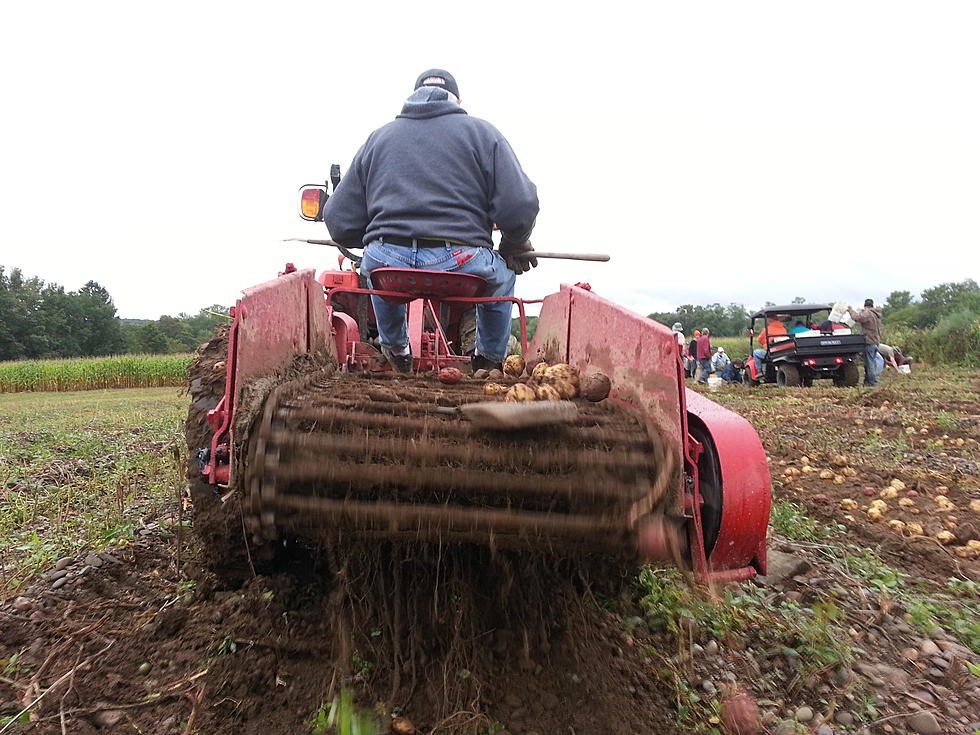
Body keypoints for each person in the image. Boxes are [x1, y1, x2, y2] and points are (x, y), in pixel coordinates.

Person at [323, 69, 539, 373]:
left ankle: (396, 351)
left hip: (389, 260)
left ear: (412, 96)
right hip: (461, 261)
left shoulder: (379, 139)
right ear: (458, 100)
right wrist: (514, 241)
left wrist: (381, 236)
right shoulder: (483, 134)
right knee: (502, 278)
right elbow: (520, 204)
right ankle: (489, 360)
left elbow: (338, 220)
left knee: (375, 268)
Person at [848, 299, 883, 386]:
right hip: (875, 342)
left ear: (865, 306)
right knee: (869, 363)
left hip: (869, 342)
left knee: (869, 364)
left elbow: (857, 318)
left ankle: (872, 382)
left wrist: (850, 310)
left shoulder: (868, 313)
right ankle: (868, 381)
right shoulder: (876, 315)